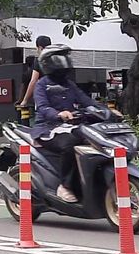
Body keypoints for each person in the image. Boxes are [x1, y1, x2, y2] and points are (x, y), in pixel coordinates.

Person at [31, 45, 107, 203]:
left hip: (71, 127)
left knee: (97, 141)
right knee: (69, 145)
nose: (63, 63)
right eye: (58, 59)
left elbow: (87, 101)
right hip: (47, 129)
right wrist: (58, 114)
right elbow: (43, 108)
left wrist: (106, 111)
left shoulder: (69, 84)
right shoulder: (41, 84)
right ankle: (64, 186)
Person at [19, 35, 52, 107]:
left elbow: (33, 81)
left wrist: (25, 100)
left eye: (36, 48)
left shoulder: (39, 61)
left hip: (44, 97)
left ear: (40, 48)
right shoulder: (56, 59)